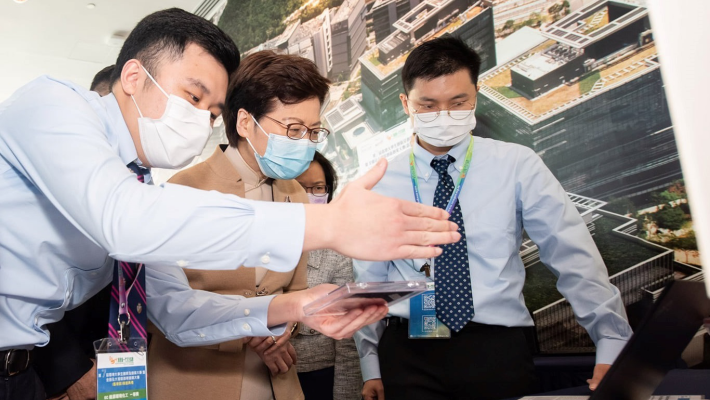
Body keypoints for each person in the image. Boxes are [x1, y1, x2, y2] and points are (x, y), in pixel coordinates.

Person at [0, 9, 460, 399]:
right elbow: (122, 222)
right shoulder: (52, 104)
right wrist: (326, 223)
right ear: (135, 77)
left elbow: (176, 311)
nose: (201, 120)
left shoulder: (139, 183)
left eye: (212, 111)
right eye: (193, 97)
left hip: (22, 374)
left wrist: (297, 306)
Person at [354, 36, 633, 400]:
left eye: (458, 103)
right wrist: (370, 363)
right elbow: (369, 279)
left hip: (495, 346)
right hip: (409, 350)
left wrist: (611, 341)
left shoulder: (517, 164)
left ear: (476, 97)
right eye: (428, 105)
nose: (444, 116)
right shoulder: (380, 180)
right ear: (406, 104)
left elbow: (571, 254)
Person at [147, 50, 329, 400]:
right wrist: (250, 329)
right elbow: (161, 310)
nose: (305, 142)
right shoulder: (184, 191)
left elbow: (297, 290)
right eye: (293, 129)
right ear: (245, 123)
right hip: (194, 379)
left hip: (275, 378)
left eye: (314, 131)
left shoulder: (296, 195)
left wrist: (280, 329)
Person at [30, 65, 117, 400]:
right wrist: (70, 372)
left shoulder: (132, 187)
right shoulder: (50, 176)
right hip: (54, 374)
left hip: (121, 365)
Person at [292, 152, 363, 400]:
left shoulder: (339, 251)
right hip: (266, 373)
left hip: (321, 376)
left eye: (319, 188)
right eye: (300, 187)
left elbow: (348, 340)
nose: (310, 195)